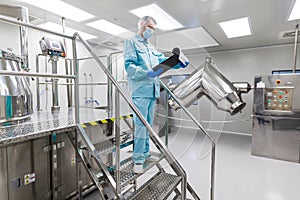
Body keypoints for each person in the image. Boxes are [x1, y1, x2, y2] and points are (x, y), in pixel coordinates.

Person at [123, 16, 188, 174]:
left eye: (154, 28)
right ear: (142, 26)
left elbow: (162, 60)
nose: (152, 31)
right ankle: (138, 159)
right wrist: (147, 72)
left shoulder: (150, 47)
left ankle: (145, 153)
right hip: (140, 91)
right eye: (150, 27)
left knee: (148, 125)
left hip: (152, 91)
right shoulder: (131, 42)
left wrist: (177, 61)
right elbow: (129, 67)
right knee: (140, 126)